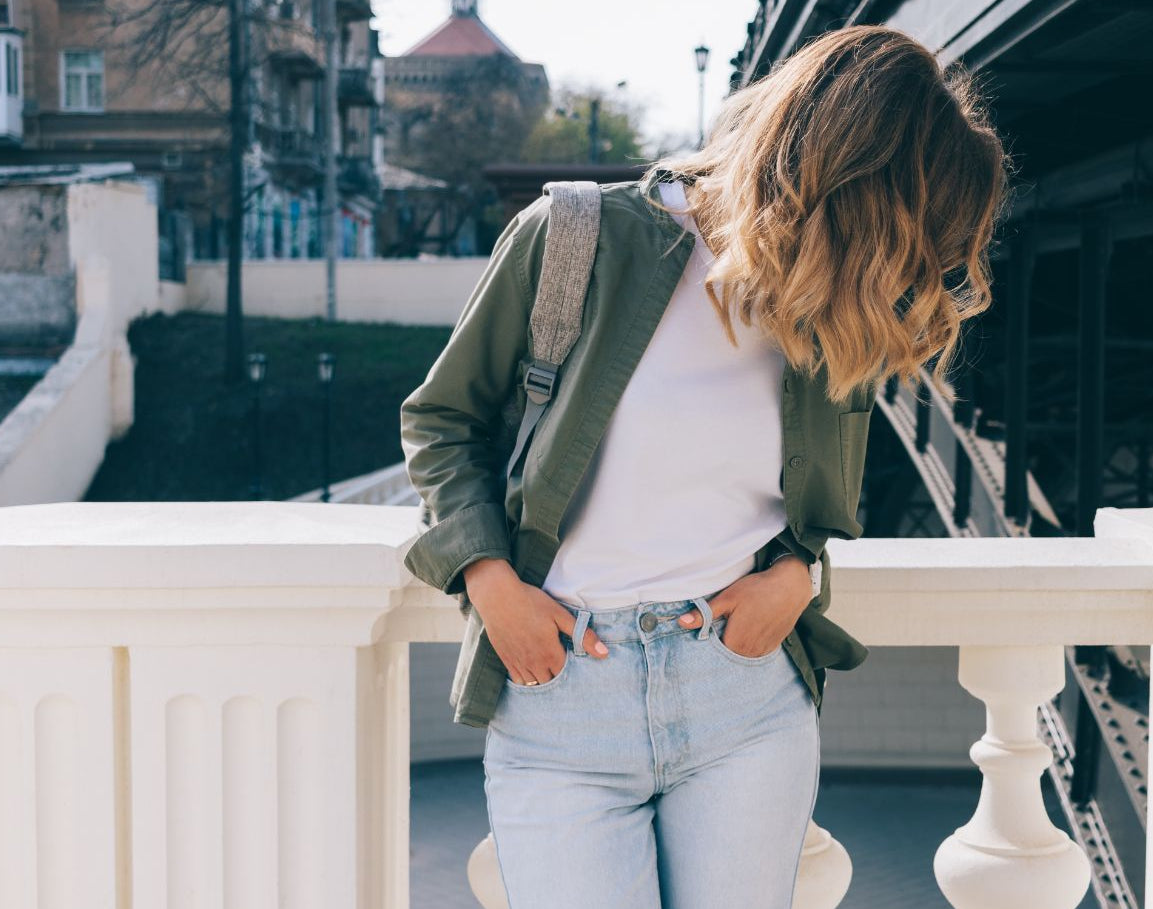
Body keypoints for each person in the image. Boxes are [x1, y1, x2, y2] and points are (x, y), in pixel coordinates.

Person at [399, 24, 1008, 909]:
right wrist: (489, 581)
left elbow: (819, 500)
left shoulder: (827, 301)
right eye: (900, 236)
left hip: (744, 700)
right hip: (564, 695)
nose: (903, 276)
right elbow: (441, 418)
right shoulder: (577, 237)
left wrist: (797, 576)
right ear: (848, 185)